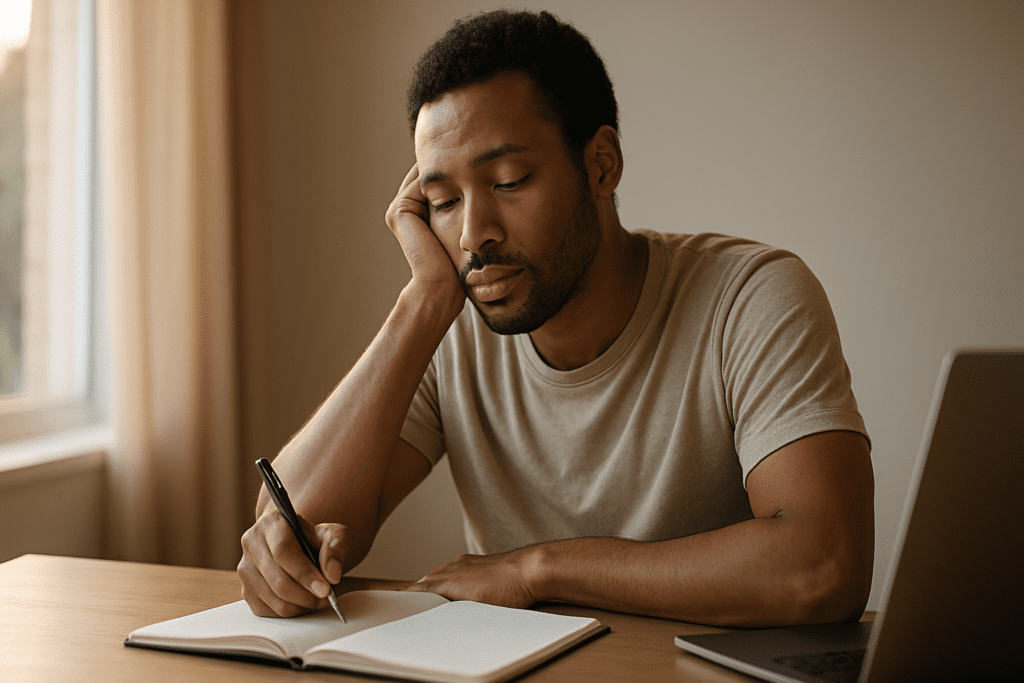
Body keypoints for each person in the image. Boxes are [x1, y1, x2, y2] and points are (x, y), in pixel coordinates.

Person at [237, 9, 874, 628]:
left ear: (601, 165)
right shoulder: (450, 323)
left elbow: (821, 564)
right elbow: (292, 528)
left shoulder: (750, 298)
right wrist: (422, 303)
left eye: (510, 181)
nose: (473, 236)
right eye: (443, 200)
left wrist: (538, 570)